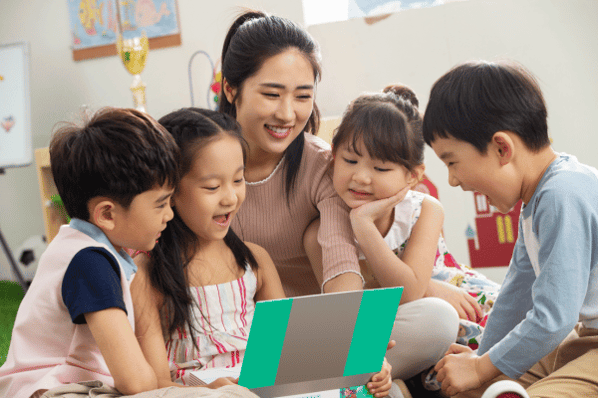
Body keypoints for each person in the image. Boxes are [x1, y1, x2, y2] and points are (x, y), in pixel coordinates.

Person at [218, 11, 459, 384]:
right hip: (239, 335)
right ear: (231, 89)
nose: (287, 114)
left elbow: (340, 261)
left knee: (437, 319)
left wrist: (357, 344)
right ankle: (341, 382)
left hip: (319, 333)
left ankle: (333, 379)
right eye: (271, 94)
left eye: (302, 97)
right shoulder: (202, 162)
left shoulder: (321, 165)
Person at [130, 108, 393, 397]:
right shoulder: (147, 273)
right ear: (171, 190)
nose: (230, 198)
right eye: (212, 186)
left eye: (239, 180)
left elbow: (290, 356)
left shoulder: (254, 261)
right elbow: (155, 385)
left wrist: (361, 360)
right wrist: (210, 388)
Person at [0, 108, 253, 398]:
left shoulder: (83, 249)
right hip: (53, 391)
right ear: (107, 214)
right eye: (160, 205)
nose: (169, 215)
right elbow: (136, 383)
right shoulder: (90, 262)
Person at [424, 60, 598, 398]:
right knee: (471, 387)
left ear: (502, 148)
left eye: (451, 161)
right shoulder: (537, 199)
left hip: (587, 340)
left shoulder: (561, 194)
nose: (453, 180)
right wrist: (480, 360)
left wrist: (479, 369)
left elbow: (553, 319)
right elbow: (516, 295)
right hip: (584, 337)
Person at [330, 85, 501, 392]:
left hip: (458, 302)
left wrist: (364, 226)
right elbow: (402, 293)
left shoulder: (425, 210)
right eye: (350, 161)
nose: (361, 177)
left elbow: (409, 289)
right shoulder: (328, 221)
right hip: (405, 315)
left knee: (506, 326)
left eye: (380, 168)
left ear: (413, 176)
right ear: (332, 155)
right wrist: (362, 223)